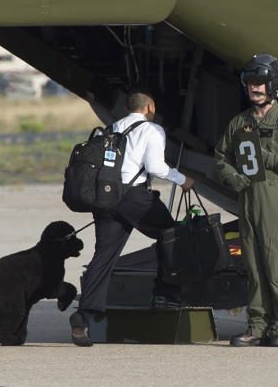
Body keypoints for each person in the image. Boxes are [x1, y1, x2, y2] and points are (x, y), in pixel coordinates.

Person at [70, 89, 194, 347]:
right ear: (151, 106)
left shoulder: (112, 128)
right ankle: (166, 294)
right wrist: (183, 180)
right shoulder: (152, 130)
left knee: (103, 256)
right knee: (172, 235)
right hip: (133, 196)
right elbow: (155, 168)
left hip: (105, 199)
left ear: (127, 108)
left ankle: (82, 317)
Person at [214, 54, 278, 348]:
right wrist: (235, 178)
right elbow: (220, 159)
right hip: (248, 198)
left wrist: (265, 156)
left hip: (276, 198)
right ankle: (256, 326)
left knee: (277, 265)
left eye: (260, 83)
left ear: (273, 85)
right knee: (253, 265)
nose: (254, 88)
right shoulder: (239, 122)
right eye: (251, 83)